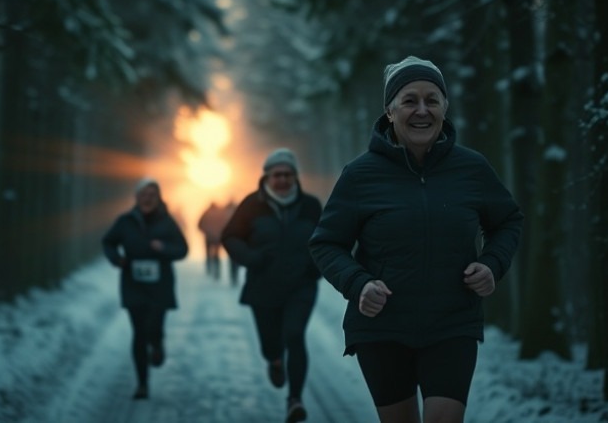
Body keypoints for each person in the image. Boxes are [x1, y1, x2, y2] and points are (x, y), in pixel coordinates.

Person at [308, 56, 524, 423]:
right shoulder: (361, 175)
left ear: (444, 108)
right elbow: (326, 243)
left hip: (452, 323)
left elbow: (508, 221)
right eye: (409, 100)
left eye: (431, 100)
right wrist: (358, 284)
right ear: (390, 111)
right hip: (382, 326)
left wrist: (492, 264)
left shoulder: (471, 169)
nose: (421, 110)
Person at [221, 148, 323, 423]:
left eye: (288, 174)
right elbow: (230, 237)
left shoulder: (311, 205)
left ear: (296, 177)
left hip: (301, 286)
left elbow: (329, 237)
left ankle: (295, 399)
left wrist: (315, 267)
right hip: (262, 286)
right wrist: (251, 258)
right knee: (271, 344)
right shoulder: (251, 204)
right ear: (266, 176)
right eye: (277, 174)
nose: (283, 179)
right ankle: (275, 360)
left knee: (294, 334)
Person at [101, 177, 189, 400]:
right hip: (133, 284)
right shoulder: (125, 221)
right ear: (136, 198)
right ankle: (142, 384)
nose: (147, 199)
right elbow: (108, 242)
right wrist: (116, 259)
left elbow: (183, 249)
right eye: (143, 195)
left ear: (159, 198)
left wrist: (164, 248)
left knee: (153, 326)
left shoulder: (167, 222)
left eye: (152, 195)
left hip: (160, 286)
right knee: (139, 333)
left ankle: (157, 343)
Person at [198, 201, 228, 279]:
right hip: (218, 238)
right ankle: (217, 271)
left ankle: (209, 268)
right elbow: (226, 224)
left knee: (208, 254)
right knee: (216, 255)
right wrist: (220, 233)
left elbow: (199, 224)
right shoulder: (221, 214)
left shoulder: (206, 213)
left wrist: (206, 232)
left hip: (209, 237)